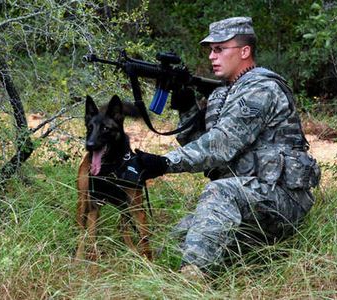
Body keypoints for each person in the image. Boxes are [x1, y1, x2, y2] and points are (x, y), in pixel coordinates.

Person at [135, 17, 321, 275]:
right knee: (177, 240)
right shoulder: (225, 92)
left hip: (281, 197)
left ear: (245, 51)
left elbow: (220, 146)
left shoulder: (261, 88)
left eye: (220, 49)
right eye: (211, 50)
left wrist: (164, 163)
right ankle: (252, 261)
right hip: (250, 197)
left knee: (219, 193)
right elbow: (207, 152)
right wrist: (188, 109)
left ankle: (191, 281)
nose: (212, 56)